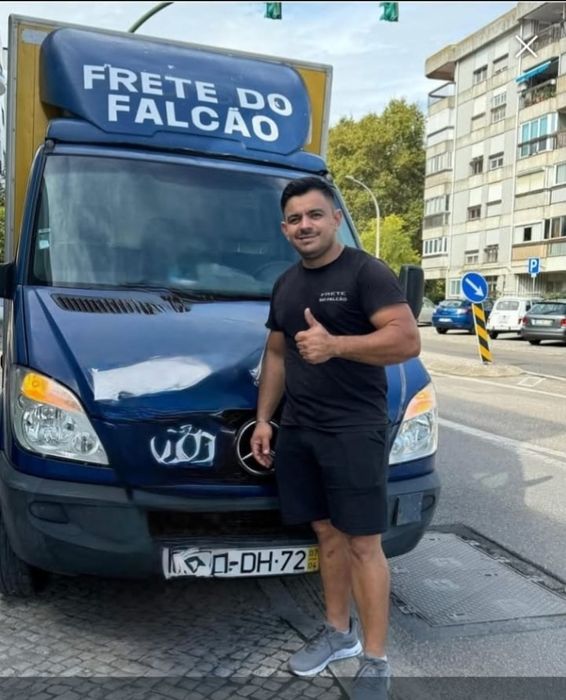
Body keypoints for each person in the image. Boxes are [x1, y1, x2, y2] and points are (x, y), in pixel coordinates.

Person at [250, 176, 420, 699]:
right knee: (325, 534)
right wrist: (264, 419)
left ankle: (375, 659)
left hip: (353, 429)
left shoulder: (367, 273)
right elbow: (276, 353)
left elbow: (407, 340)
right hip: (301, 429)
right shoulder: (286, 284)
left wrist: (337, 345)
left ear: (336, 219)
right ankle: (337, 633)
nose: (305, 225)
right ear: (285, 229)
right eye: (295, 219)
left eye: (315, 215)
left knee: (364, 543)